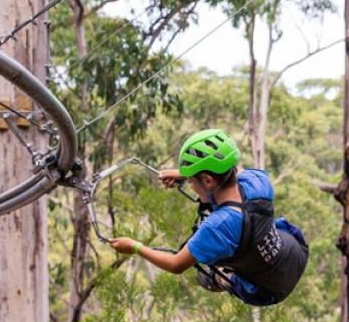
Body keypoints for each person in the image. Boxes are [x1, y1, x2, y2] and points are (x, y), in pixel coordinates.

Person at [110, 129, 308, 306]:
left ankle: (223, 277)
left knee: (208, 276)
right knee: (256, 228)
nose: (190, 185)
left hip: (267, 290)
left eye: (192, 181)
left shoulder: (217, 227)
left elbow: (176, 264)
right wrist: (185, 173)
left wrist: (135, 247)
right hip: (295, 251)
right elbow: (232, 169)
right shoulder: (257, 181)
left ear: (207, 180)